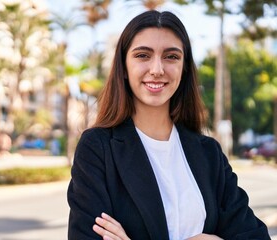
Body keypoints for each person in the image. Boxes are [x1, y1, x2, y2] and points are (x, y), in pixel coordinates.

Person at [67, 10, 271, 240]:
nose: (157, 69)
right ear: (123, 67)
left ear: (184, 68)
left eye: (171, 56)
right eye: (143, 55)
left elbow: (255, 236)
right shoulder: (98, 148)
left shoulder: (208, 153)